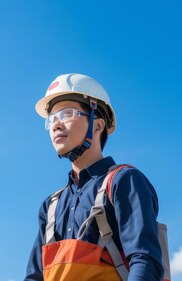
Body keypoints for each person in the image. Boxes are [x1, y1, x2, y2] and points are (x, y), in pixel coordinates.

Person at [25, 73, 164, 281]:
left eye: (66, 114)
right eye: (52, 119)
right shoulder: (50, 206)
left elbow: (145, 261)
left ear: (97, 125)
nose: (55, 124)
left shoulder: (123, 181)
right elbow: (34, 278)